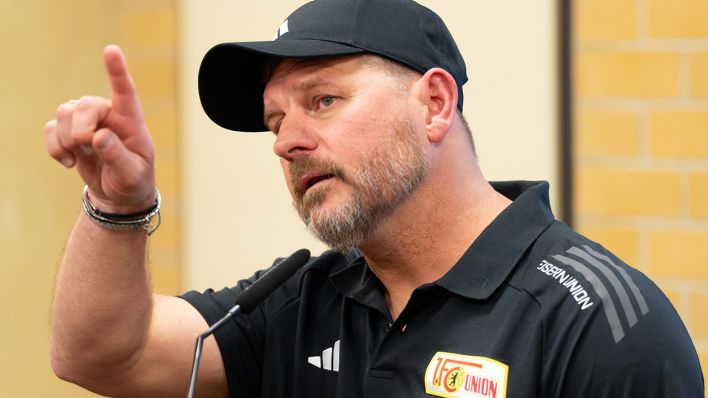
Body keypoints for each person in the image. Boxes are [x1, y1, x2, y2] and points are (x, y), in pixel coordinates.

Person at [45, 0, 703, 397]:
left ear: (435, 104)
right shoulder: (299, 303)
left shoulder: (597, 321)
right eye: (275, 122)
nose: (287, 143)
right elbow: (101, 354)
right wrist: (117, 207)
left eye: (323, 101)